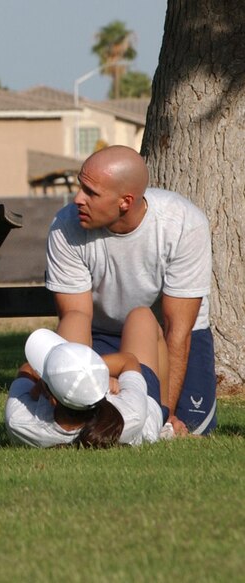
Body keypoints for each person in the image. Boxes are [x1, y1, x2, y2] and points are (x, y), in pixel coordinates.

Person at [45, 145, 215, 435]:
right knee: (90, 427)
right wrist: (72, 393)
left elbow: (178, 328)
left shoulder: (184, 223)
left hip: (171, 335)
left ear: (125, 201)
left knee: (187, 428)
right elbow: (75, 316)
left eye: (91, 192)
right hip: (99, 334)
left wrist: (165, 412)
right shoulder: (65, 226)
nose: (77, 199)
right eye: (80, 187)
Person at [5, 307, 172, 448]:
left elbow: (27, 369)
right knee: (141, 317)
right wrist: (94, 372)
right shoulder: (132, 415)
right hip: (141, 406)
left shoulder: (19, 422)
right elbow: (129, 361)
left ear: (52, 399)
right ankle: (168, 420)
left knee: (75, 317)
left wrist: (68, 374)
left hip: (104, 395)